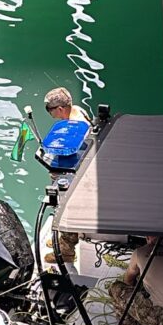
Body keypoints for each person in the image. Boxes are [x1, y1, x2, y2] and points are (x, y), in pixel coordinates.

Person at [43, 87, 90, 264]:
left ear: (61, 109)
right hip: (77, 168)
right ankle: (62, 240)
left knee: (66, 207)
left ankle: (66, 250)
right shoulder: (78, 110)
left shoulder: (74, 126)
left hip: (74, 176)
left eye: (51, 111)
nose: (51, 115)